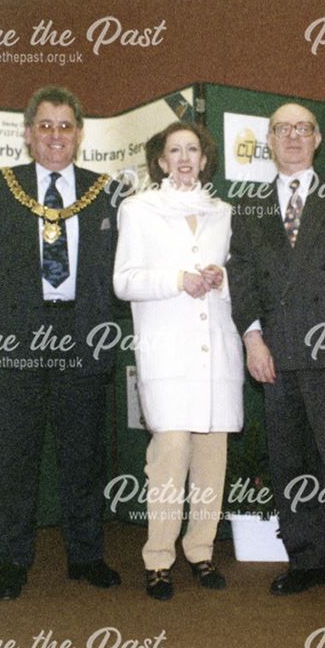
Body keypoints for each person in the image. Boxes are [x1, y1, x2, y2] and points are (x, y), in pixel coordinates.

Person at [0, 86, 121, 600]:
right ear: (28, 133)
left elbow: (117, 270)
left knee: (83, 454)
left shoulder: (106, 191)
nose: (56, 135)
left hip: (83, 336)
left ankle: (86, 556)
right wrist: (21, 307)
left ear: (79, 134)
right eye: (46, 125)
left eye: (66, 126)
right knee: (14, 455)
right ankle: (11, 560)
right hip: (17, 337)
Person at [228, 103, 325, 621]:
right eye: (281, 129)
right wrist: (252, 340)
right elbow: (242, 275)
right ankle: (308, 562)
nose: (292, 136)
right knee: (290, 467)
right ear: (268, 140)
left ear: (317, 139)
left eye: (302, 128)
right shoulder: (247, 204)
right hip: (277, 354)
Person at [113, 121, 244, 600]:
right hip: (166, 351)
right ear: (162, 161)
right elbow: (123, 281)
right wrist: (177, 280)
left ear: (205, 159)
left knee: (212, 459)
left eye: (193, 149)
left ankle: (202, 550)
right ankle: (159, 559)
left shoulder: (223, 212)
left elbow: (238, 278)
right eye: (175, 150)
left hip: (217, 349)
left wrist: (218, 277)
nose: (185, 158)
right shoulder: (139, 208)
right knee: (169, 456)